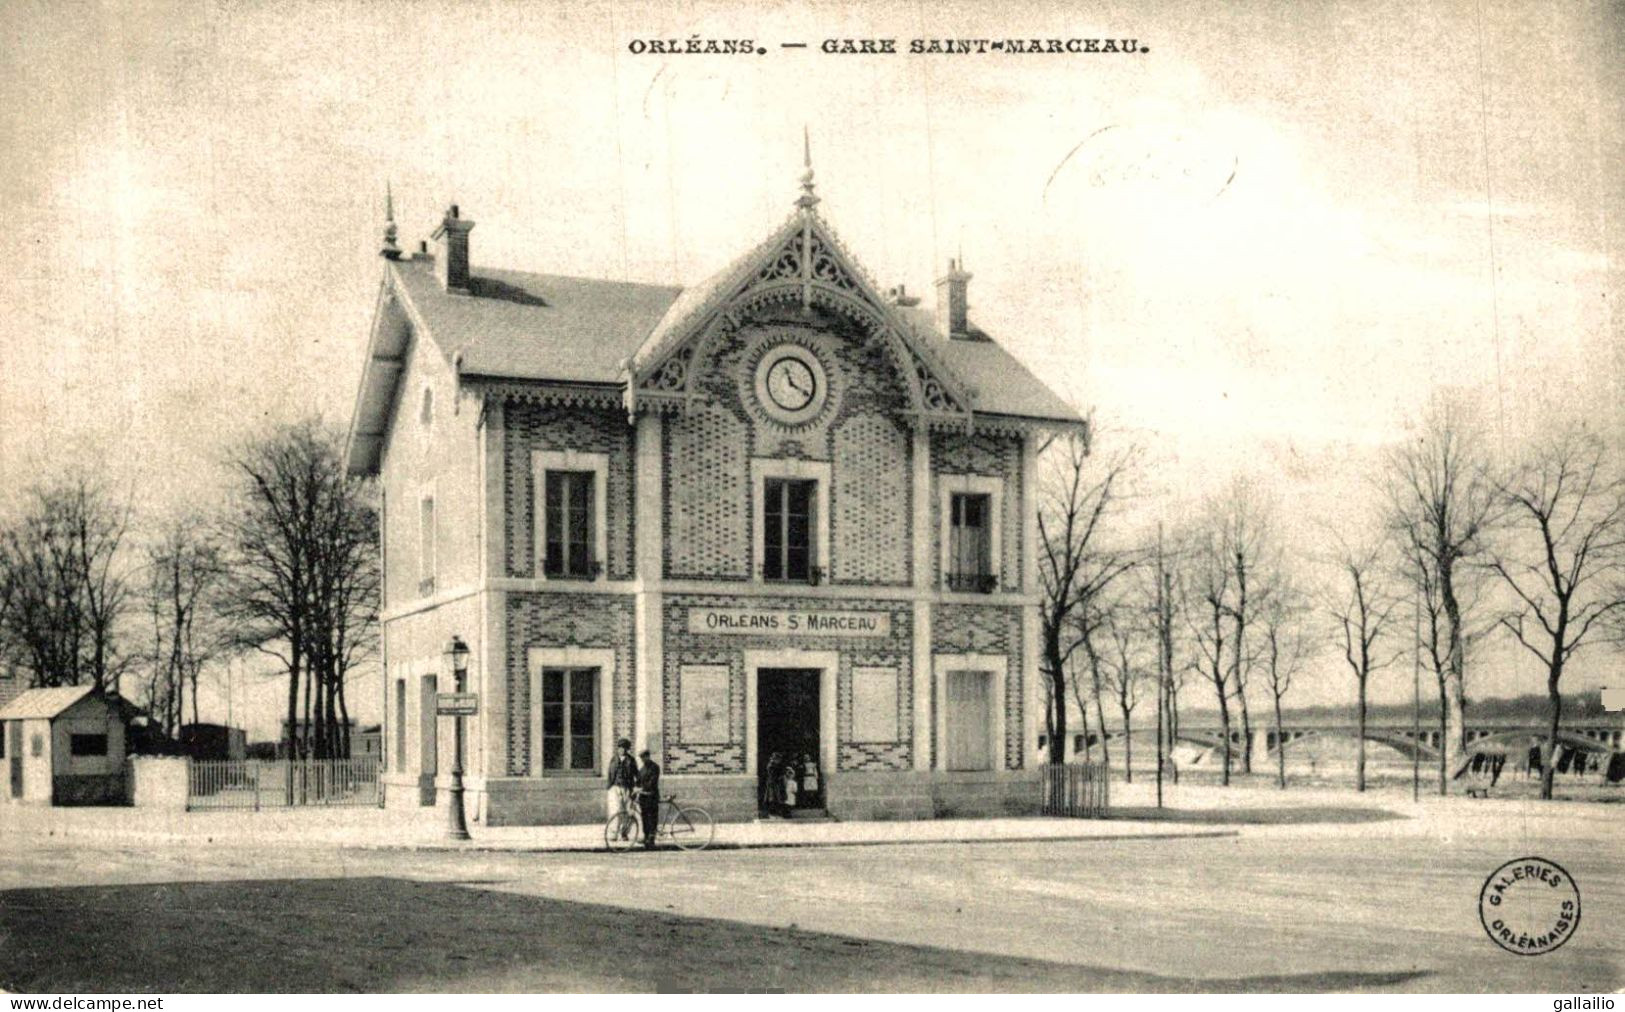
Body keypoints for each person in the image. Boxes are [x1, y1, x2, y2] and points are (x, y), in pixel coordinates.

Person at [606, 737, 638, 838]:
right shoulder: (613, 759)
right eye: (620, 747)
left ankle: (624, 833)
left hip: (628, 788)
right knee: (615, 810)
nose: (622, 750)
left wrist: (635, 788)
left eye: (624, 748)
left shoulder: (631, 760)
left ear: (627, 749)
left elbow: (636, 775)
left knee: (628, 811)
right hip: (615, 788)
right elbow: (610, 774)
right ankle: (614, 833)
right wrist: (609, 787)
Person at [636, 748, 661, 849]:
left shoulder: (655, 767)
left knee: (652, 818)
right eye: (641, 758)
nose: (642, 759)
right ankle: (646, 836)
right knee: (644, 817)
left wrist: (642, 788)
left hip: (652, 796)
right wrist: (635, 788)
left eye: (644, 757)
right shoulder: (642, 768)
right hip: (643, 797)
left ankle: (651, 839)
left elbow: (653, 782)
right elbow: (638, 780)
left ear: (648, 756)